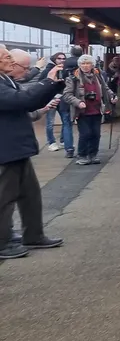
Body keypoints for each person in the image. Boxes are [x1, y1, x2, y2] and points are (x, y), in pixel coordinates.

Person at [0, 46, 65, 259]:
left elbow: (30, 101)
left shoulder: (6, 80)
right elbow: (23, 100)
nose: (10, 59)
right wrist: (48, 82)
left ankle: (34, 234)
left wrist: (53, 83)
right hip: (5, 149)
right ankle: (2, 243)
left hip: (15, 147)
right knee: (4, 198)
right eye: (6, 56)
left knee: (30, 194)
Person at [63, 55, 117, 165]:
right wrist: (78, 102)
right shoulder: (73, 78)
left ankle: (93, 154)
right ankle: (82, 155)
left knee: (96, 134)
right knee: (85, 134)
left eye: (88, 63)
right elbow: (67, 95)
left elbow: (105, 88)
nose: (85, 66)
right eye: (83, 63)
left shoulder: (98, 76)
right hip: (82, 112)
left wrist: (112, 96)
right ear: (79, 65)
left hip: (97, 110)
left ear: (92, 65)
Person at [42, 52, 74, 156]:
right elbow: (41, 83)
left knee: (66, 120)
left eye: (64, 58)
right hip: (50, 99)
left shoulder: (66, 71)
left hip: (63, 99)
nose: (62, 60)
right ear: (54, 59)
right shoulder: (48, 70)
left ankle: (64, 141)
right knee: (50, 122)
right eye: (59, 58)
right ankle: (51, 142)